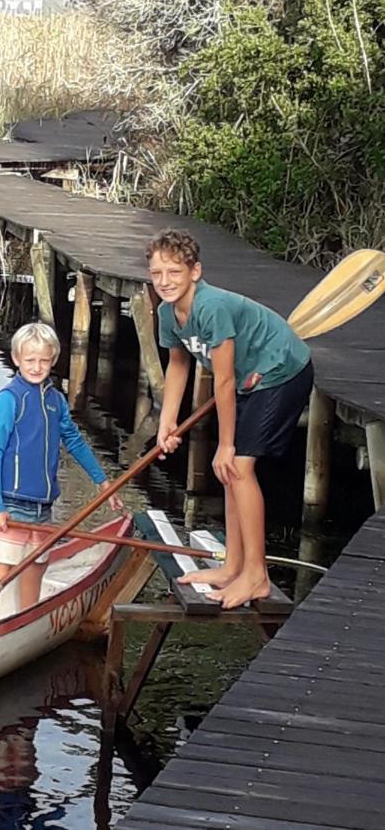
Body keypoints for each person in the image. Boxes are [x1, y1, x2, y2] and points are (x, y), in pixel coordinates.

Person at [148, 230, 313, 609]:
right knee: (229, 471)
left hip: (281, 371)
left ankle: (256, 575)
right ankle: (232, 565)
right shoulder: (166, 312)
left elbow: (221, 381)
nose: (165, 281)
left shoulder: (211, 307)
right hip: (249, 379)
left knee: (237, 465)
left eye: (174, 272)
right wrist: (166, 422)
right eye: (157, 273)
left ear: (195, 271)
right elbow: (178, 364)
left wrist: (225, 443)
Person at [0, 322, 123, 626]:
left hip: (43, 508)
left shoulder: (55, 401)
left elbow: (74, 441)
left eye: (43, 360)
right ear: (17, 359)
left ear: (53, 359)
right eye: (29, 360)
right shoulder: (9, 399)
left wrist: (103, 481)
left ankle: (24, 629)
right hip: (12, 506)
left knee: (35, 572)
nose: (37, 367)